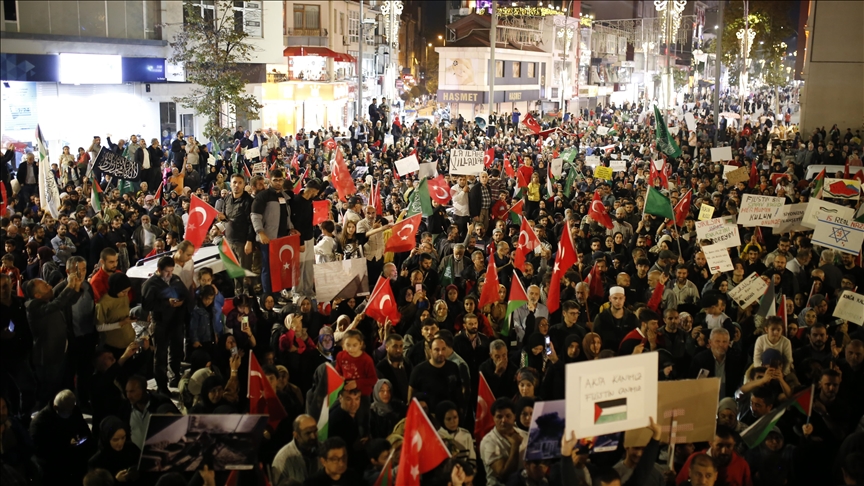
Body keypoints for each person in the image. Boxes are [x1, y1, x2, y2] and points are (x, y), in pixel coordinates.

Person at [25, 272, 83, 409]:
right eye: (45, 286)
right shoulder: (33, 307)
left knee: (60, 388)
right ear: (37, 295)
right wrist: (69, 286)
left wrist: (76, 287)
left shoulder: (46, 303)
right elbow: (57, 304)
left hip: (60, 354)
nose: (50, 286)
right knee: (49, 393)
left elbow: (66, 302)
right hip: (48, 359)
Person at [141, 256, 189, 396]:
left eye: (171, 271)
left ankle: (174, 377)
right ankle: (162, 386)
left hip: (176, 320)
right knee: (160, 355)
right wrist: (167, 303)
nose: (169, 274)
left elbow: (184, 293)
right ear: (159, 270)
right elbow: (147, 305)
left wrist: (181, 301)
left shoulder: (175, 279)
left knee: (176, 351)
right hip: (160, 322)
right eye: (167, 272)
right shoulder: (151, 284)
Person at [676, 426, 752, 486]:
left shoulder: (742, 465)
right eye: (719, 446)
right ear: (710, 442)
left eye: (729, 446)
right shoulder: (695, 459)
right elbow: (679, 483)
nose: (723, 451)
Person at [479, 398, 527, 486]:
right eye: (499, 417)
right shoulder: (489, 442)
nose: (504, 420)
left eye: (508, 416)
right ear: (493, 418)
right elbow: (504, 475)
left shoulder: (524, 435)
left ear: (514, 416)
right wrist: (515, 445)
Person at [87, 416, 141, 483]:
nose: (120, 443)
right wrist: (116, 480)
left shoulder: (132, 449)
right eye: (115, 440)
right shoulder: (96, 462)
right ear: (107, 439)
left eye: (123, 437)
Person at [272, 414, 321, 486]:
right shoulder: (283, 458)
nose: (313, 436)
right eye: (308, 433)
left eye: (315, 431)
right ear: (296, 435)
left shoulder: (325, 450)